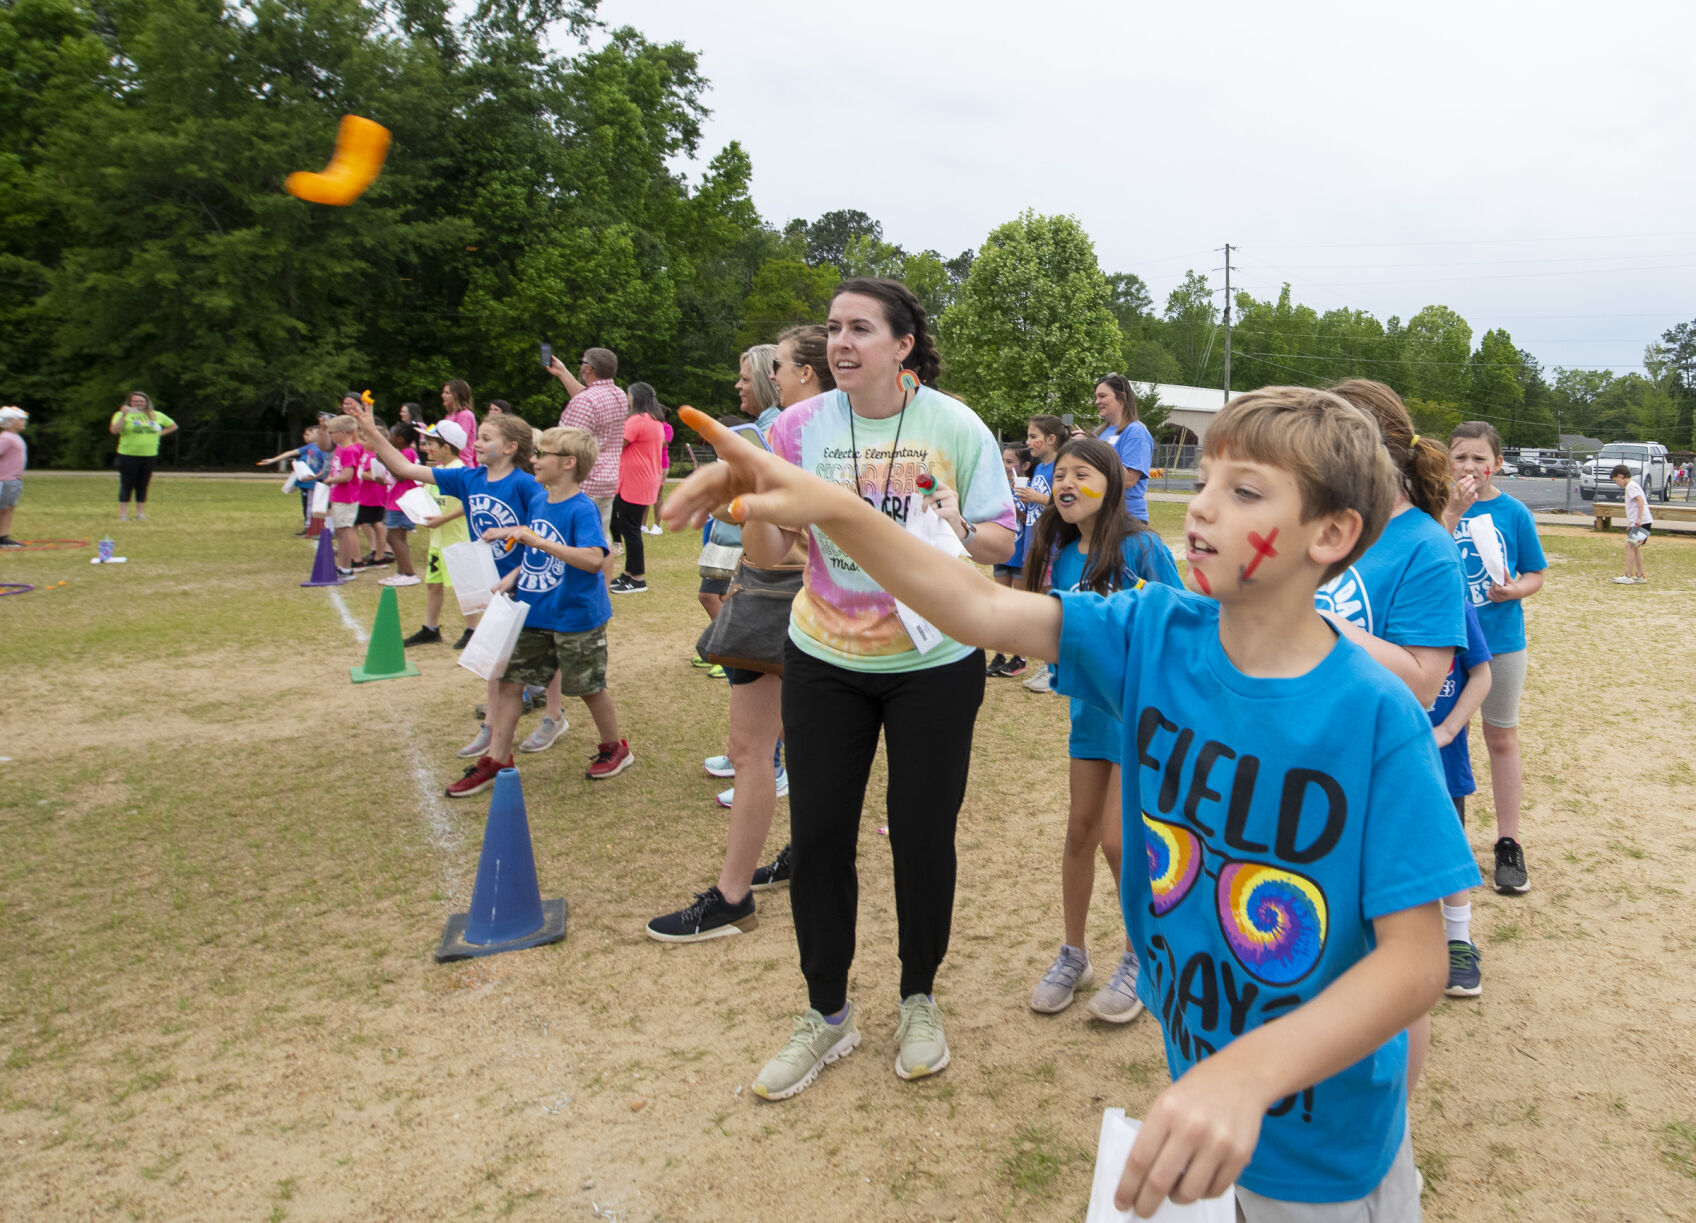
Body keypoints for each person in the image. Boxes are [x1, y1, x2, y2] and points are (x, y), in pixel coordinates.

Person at [665, 384, 1478, 1218]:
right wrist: (832, 505)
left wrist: (1252, 1071)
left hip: (1321, 1136)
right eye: (1202, 480)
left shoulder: (1376, 718)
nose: (1201, 509)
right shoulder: (1151, 633)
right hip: (1204, 1081)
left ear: (1333, 533)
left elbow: (1415, 961)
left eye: (1245, 492)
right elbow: (976, 604)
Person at [682, 279, 1018, 1100]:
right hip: (825, 656)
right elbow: (769, 551)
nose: (840, 342)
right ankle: (827, 1011)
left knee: (921, 832)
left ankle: (918, 997)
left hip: (934, 662)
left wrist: (954, 522)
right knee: (823, 834)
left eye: (860, 328)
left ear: (903, 344)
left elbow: (1001, 540)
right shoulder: (796, 426)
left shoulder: (954, 423)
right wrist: (753, 506)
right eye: (833, 328)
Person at [649, 324, 833, 941]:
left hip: (799, 610)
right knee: (782, 749)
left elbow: (784, 552)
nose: (763, 376)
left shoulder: (816, 439)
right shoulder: (798, 438)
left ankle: (736, 896)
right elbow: (776, 545)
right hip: (783, 605)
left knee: (769, 750)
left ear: (806, 373)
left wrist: (754, 494)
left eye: (775, 364)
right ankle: (773, 875)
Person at [1317, 379, 1467, 1049]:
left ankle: (1391, 1142)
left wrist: (1316, 619)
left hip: (1384, 779)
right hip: (1314, 767)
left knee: (1393, 974)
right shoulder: (1328, 525)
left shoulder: (1424, 546)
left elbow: (1424, 681)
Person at [1023, 437, 1181, 1024]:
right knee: (1080, 833)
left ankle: (1144, 957)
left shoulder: (1142, 547)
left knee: (1120, 841)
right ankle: (1074, 955)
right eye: (1058, 474)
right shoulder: (1059, 552)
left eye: (1080, 473)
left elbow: (1179, 621)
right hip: (1088, 718)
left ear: (1112, 482)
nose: (1066, 484)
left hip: (1140, 721)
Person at [351, 404, 549, 769]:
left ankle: (553, 716)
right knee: (494, 660)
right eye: (478, 437)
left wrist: (519, 572)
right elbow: (405, 468)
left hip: (527, 581)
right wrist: (374, 433)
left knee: (545, 656)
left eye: (487, 438)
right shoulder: (469, 478)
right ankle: (491, 727)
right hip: (491, 584)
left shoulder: (525, 485)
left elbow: (542, 535)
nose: (477, 443)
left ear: (509, 448)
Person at [464, 425, 633, 792]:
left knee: (588, 687)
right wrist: (514, 575)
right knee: (511, 682)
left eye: (542, 454)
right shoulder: (540, 500)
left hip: (576, 617)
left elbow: (593, 559)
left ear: (569, 463)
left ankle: (614, 748)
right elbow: (537, 551)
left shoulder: (581, 508)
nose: (533, 459)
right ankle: (496, 759)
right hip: (534, 612)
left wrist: (534, 539)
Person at [1443, 421, 1546, 895]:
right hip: (1445, 643)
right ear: (1448, 460)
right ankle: (1445, 840)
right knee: (1446, 739)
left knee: (1501, 737)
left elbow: (1534, 574)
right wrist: (1450, 511)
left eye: (1479, 459)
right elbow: (1425, 554)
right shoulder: (1436, 507)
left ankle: (1508, 842)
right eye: (1460, 457)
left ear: (1497, 463)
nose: (1470, 467)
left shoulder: (1514, 512)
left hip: (1503, 640)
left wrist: (1513, 590)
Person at [1429, 602, 1492, 1000]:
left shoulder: (1453, 604)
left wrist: (1450, 729)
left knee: (1449, 852)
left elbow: (1482, 674)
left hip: (1443, 762)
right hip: (1383, 758)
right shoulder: (1370, 596)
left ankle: (1458, 941)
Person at [990, 415, 1065, 678]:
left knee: (1051, 606)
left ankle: (1053, 667)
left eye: (1034, 436)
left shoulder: (1059, 466)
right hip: (1035, 545)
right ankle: (1046, 664)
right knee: (1040, 607)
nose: (1029, 441)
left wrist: (1037, 497)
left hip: (1052, 546)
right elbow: (1032, 514)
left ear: (1051, 439)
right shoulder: (1040, 469)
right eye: (1029, 436)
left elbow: (1065, 501)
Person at [404, 420, 471, 647]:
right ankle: (430, 628)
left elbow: (469, 504)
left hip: (458, 541)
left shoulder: (460, 472)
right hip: (438, 541)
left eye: (432, 442)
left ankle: (472, 630)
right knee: (433, 584)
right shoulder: (436, 472)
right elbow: (427, 500)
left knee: (465, 588)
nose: (426, 447)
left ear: (446, 446)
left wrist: (443, 519)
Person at [548, 346, 627, 537]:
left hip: (583, 482)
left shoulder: (585, 402)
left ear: (589, 368)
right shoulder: (618, 395)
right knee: (599, 541)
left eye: (582, 362)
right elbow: (589, 397)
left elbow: (569, 444)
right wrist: (563, 373)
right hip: (607, 481)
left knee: (573, 541)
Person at [609, 383, 668, 594]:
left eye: (628, 396)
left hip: (633, 483)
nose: (627, 399)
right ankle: (628, 574)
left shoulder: (636, 421)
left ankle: (637, 578)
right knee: (628, 528)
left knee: (631, 531)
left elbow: (617, 443)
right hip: (644, 480)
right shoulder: (655, 421)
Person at [1093, 373, 1154, 523]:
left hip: (1126, 518)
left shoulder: (1136, 432)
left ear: (1121, 397)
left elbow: (1129, 480)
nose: (1097, 402)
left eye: (1102, 396)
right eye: (1096, 397)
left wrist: (1098, 452)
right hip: (1100, 514)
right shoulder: (1099, 432)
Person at [109, 391, 177, 521]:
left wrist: (160, 434)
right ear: (130, 402)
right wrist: (124, 415)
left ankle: (140, 513)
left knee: (143, 484)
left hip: (149, 454)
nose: (139, 404)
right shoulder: (121, 415)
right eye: (135, 401)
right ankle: (123, 514)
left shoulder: (155, 415)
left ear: (147, 402)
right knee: (127, 483)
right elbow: (114, 430)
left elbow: (173, 426)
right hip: (128, 454)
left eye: (142, 401)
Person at [377, 421, 422, 588]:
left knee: (393, 537)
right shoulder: (403, 451)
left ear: (401, 439)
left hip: (401, 501)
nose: (389, 438)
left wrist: (385, 461)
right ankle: (402, 571)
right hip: (396, 499)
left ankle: (409, 573)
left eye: (391, 435)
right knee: (398, 537)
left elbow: (403, 474)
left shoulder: (407, 453)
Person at [321, 415, 364, 577]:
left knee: (345, 532)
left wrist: (331, 480)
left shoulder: (350, 450)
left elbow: (347, 475)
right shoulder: (340, 449)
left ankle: (346, 567)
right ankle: (343, 565)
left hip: (347, 497)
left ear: (344, 433)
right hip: (338, 496)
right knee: (340, 532)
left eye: (332, 432)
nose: (330, 435)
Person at [1612, 463, 1652, 583]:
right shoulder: (1632, 486)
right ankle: (1640, 575)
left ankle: (1628, 575)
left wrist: (1638, 520)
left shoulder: (1630, 486)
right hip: (1643, 522)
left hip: (1642, 522)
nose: (1617, 484)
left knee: (1629, 545)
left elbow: (1640, 501)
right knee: (1635, 547)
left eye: (1616, 481)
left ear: (1620, 476)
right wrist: (1631, 523)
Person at [0, 406, 28, 547]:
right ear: (10, 421)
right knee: (2, 508)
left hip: (14, 480)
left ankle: (3, 537)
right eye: (21, 419)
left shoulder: (14, 437)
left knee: (9, 508)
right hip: (4, 480)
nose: (24, 421)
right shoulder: (5, 438)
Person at [441, 380, 478, 465]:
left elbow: (458, 442)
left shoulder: (466, 415)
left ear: (457, 395)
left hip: (461, 465)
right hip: (447, 464)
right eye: (443, 392)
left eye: (447, 393)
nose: (443, 395)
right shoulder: (449, 415)